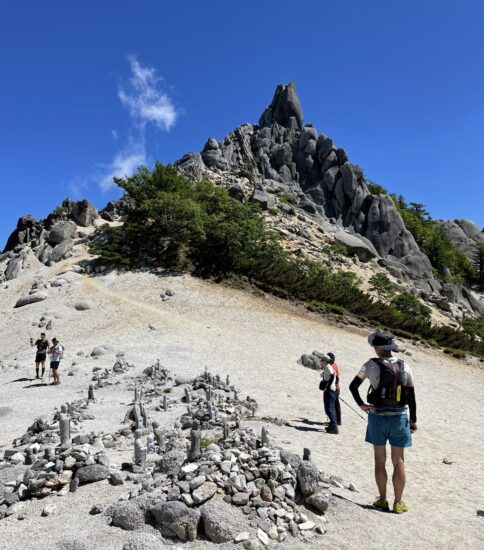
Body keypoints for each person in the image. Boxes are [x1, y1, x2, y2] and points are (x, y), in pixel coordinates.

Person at [349, 331, 417, 514]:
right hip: (400, 417)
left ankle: (382, 499)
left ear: (379, 348)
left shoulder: (370, 364)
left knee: (380, 460)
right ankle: (398, 503)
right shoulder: (405, 365)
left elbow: (353, 386)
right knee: (399, 461)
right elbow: (410, 395)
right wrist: (413, 420)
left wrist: (361, 405)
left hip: (377, 416)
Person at [320, 354, 339, 434]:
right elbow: (335, 377)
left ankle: (334, 427)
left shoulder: (328, 367)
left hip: (329, 391)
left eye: (322, 360)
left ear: (325, 360)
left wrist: (327, 385)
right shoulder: (328, 366)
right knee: (331, 409)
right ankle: (332, 425)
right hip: (332, 390)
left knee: (328, 410)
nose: (321, 361)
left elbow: (331, 376)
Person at [327, 352, 341, 426]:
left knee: (332, 405)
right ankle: (338, 421)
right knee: (336, 405)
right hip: (337, 388)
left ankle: (334, 421)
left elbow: (335, 378)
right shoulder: (335, 365)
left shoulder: (331, 366)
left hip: (333, 388)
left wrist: (333, 387)